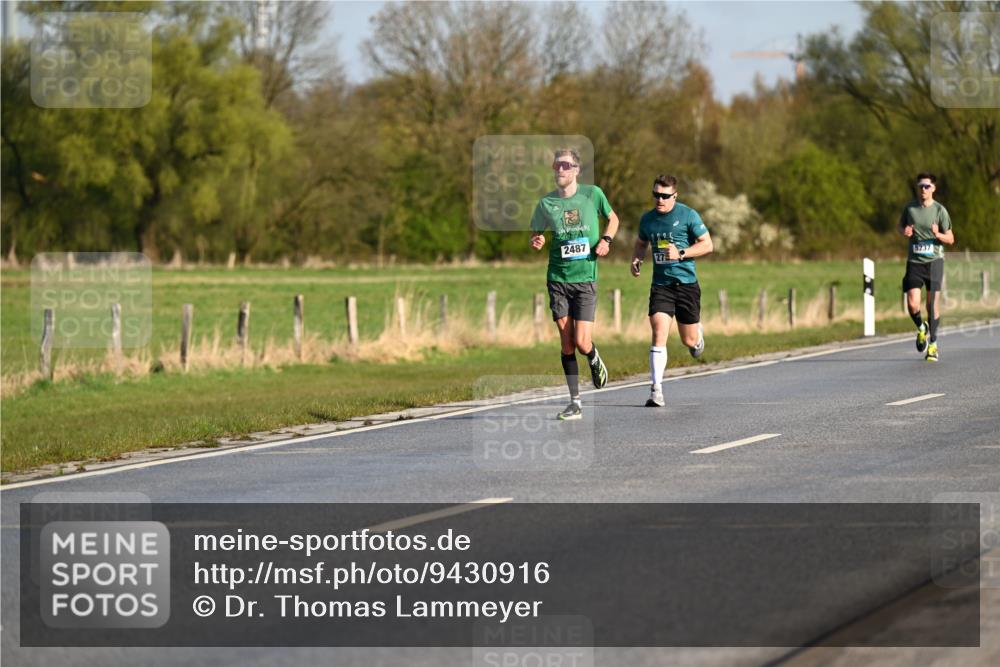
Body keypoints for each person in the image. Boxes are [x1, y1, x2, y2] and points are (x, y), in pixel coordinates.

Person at [530, 148, 619, 420]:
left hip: (585, 279)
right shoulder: (546, 203)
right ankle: (575, 402)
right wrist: (537, 239)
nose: (560, 170)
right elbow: (536, 231)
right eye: (557, 165)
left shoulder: (593, 195)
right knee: (566, 344)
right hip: (558, 278)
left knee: (582, 342)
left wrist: (606, 241)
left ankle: (593, 358)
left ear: (577, 170)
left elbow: (613, 219)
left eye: (566, 165)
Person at [631, 175, 713, 407]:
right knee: (658, 332)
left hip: (686, 285)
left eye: (665, 196)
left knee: (689, 341)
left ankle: (697, 337)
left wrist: (682, 253)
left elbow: (708, 244)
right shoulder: (647, 219)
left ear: (674, 196)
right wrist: (636, 259)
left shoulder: (688, 215)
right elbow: (640, 242)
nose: (660, 199)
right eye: (656, 194)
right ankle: (656, 390)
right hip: (661, 286)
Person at [898, 172, 954, 362]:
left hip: (934, 262)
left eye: (927, 186)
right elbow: (901, 227)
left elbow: (951, 238)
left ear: (933, 189)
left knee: (931, 305)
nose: (923, 189)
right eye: (920, 186)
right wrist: (904, 231)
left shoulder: (940, 211)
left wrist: (938, 235)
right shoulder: (910, 209)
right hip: (915, 262)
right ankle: (922, 329)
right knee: (912, 303)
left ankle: (933, 345)